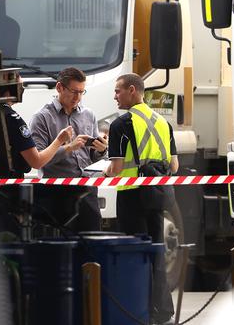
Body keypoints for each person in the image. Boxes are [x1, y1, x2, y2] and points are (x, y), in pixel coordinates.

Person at [102, 73, 178, 325]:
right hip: (157, 195)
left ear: (132, 90)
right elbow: (174, 166)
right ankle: (163, 310)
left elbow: (116, 167)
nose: (115, 96)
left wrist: (103, 171)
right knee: (157, 251)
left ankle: (139, 309)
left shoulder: (121, 124)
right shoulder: (162, 122)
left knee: (135, 254)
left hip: (131, 196)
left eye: (118, 91)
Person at [29, 67, 108, 232]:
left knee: (92, 244)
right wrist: (68, 148)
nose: (77, 97)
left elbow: (91, 156)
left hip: (87, 190)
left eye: (81, 92)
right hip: (57, 194)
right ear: (59, 88)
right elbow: (39, 160)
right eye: (74, 92)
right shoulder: (42, 117)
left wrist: (101, 150)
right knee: (62, 249)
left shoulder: (89, 114)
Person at [0, 78, 73, 176]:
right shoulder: (13, 119)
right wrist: (59, 140)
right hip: (7, 190)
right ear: (9, 92)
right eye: (20, 87)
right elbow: (37, 162)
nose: (22, 90)